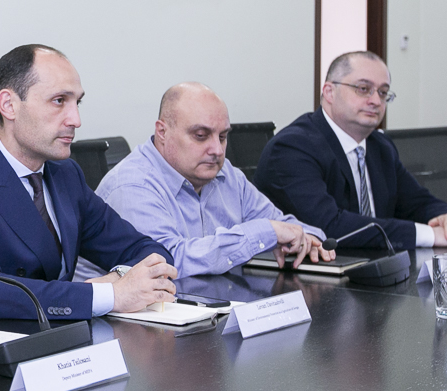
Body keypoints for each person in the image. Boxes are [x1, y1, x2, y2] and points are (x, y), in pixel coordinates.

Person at [0, 44, 178, 325]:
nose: (76, 120)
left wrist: (118, 279)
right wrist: (110, 294)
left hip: (63, 339)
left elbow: (148, 251)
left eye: (77, 103)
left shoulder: (65, 175)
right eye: (58, 101)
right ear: (9, 105)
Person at [96, 82, 335, 279]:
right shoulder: (132, 185)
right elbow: (167, 262)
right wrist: (265, 233)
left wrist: (306, 239)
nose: (217, 150)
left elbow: (281, 224)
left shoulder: (225, 174)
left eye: (222, 137)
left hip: (211, 308)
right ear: (162, 132)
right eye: (201, 136)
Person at [255, 51, 447, 250]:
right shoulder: (292, 148)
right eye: (363, 89)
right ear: (329, 92)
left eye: (383, 92)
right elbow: (328, 228)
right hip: (312, 269)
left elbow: (418, 202)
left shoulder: (380, 146)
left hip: (376, 264)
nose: (376, 101)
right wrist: (429, 235)